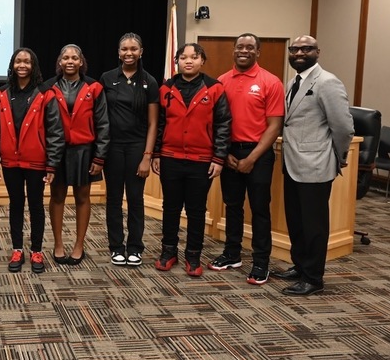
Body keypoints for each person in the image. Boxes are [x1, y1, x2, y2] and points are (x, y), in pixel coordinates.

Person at [272, 35, 354, 296]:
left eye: (306, 49)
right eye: (294, 49)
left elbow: (343, 127)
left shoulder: (327, 82)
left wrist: (338, 156)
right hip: (292, 161)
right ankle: (300, 265)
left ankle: (313, 278)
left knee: (314, 224)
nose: (299, 53)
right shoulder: (293, 81)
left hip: (316, 164)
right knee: (296, 220)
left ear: (317, 52)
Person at [207, 33, 284, 285]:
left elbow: (274, 126)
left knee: (260, 209)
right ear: (234, 50)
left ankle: (261, 262)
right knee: (232, 206)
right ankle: (232, 254)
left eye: (250, 47)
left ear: (258, 52)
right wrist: (223, 153)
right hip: (229, 153)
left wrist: (251, 158)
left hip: (258, 155)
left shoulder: (270, 82)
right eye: (240, 46)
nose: (244, 51)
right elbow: (216, 122)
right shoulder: (221, 81)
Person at [153, 43, 231, 277]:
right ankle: (168, 252)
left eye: (194, 57)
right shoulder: (166, 88)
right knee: (171, 207)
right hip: (170, 158)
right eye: (184, 57)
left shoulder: (215, 88)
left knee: (196, 210)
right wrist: (156, 153)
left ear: (202, 61)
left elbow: (223, 124)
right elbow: (159, 124)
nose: (189, 61)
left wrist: (219, 158)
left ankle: (193, 254)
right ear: (177, 61)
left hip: (202, 160)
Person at [0, 48, 64, 273]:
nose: (22, 65)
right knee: (16, 205)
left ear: (34, 66)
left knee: (36, 206)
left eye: (27, 62)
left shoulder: (46, 94)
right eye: (18, 61)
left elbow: (55, 132)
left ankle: (37, 251)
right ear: (12, 65)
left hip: (37, 162)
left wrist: (52, 164)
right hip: (10, 162)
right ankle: (17, 249)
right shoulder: (1, 94)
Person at [45, 44, 109, 265]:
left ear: (81, 62)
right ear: (59, 62)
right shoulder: (48, 87)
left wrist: (99, 157)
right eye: (65, 57)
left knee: (82, 197)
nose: (70, 61)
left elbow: (103, 124)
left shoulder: (95, 87)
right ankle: (58, 244)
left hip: (85, 151)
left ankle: (79, 245)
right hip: (57, 151)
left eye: (74, 58)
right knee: (57, 196)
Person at [100, 33, 159, 267]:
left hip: (137, 148)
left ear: (141, 51)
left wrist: (147, 156)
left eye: (133, 49)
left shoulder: (149, 81)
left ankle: (135, 247)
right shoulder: (106, 78)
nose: (129, 53)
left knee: (135, 199)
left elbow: (154, 123)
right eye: (124, 49)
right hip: (112, 148)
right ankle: (116, 247)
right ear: (118, 52)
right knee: (113, 199)